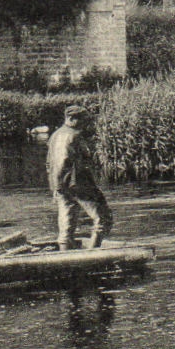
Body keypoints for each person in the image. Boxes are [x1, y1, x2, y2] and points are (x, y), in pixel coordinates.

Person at [47, 105, 112, 250]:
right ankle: (93, 253)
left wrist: (56, 187)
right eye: (83, 120)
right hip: (77, 183)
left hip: (59, 185)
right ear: (71, 118)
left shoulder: (55, 135)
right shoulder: (75, 136)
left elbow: (49, 164)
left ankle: (65, 256)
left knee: (66, 224)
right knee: (103, 217)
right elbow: (71, 161)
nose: (85, 124)